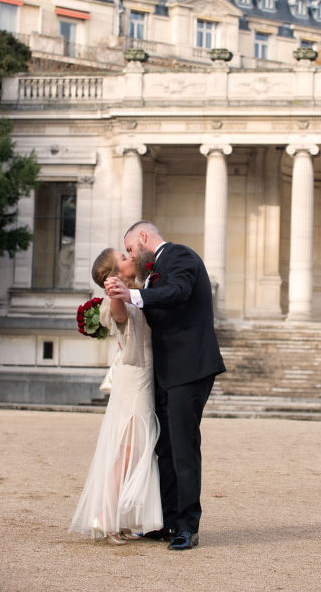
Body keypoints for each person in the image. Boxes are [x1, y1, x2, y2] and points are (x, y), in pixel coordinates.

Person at [105, 220, 226, 551]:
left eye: (130, 249)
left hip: (190, 367)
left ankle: (188, 526)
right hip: (166, 371)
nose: (130, 254)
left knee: (184, 447)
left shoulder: (180, 256)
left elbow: (179, 292)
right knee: (166, 448)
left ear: (143, 238)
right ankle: (170, 521)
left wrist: (134, 293)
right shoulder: (154, 270)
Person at [69, 248, 163, 544]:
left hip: (143, 378)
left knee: (134, 453)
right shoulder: (118, 300)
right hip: (133, 381)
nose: (129, 258)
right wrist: (114, 292)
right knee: (127, 452)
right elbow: (120, 313)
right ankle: (105, 518)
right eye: (123, 258)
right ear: (114, 274)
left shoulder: (137, 291)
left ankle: (119, 518)